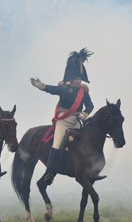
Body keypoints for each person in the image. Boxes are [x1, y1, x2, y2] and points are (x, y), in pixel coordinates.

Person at [30, 48, 94, 185]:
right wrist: (40, 85)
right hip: (64, 121)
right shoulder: (63, 88)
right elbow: (50, 89)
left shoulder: (84, 91)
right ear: (71, 79)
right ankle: (49, 173)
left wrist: (84, 115)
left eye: (79, 78)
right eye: (76, 78)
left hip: (77, 121)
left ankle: (89, 169)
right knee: (57, 144)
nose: (78, 81)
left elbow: (90, 106)